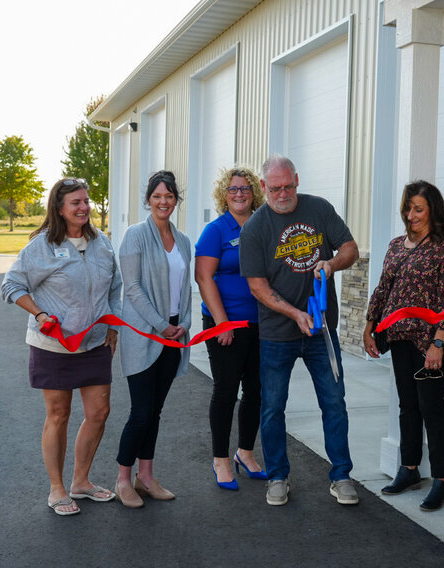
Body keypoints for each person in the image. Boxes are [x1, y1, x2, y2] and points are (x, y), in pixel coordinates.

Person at [239, 155, 360, 506]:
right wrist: (294, 313)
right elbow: (257, 287)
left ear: (297, 180)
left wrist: (332, 263)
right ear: (263, 188)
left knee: (334, 403)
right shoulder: (255, 228)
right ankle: (277, 476)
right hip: (277, 334)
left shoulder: (319, 209)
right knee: (273, 407)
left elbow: (349, 248)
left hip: (322, 331)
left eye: (288, 186)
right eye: (274, 188)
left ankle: (341, 475)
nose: (282, 193)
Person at [1, 177, 121, 516]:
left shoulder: (102, 243)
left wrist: (113, 326)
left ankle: (80, 482)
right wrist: (39, 313)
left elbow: (115, 287)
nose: (84, 208)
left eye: (86, 201)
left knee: (99, 413)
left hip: (94, 343)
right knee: (59, 414)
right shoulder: (41, 246)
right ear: (59, 208)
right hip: (53, 345)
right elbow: (11, 284)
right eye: (76, 203)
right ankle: (57, 489)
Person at [364, 180, 444, 511]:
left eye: (418, 209)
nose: (411, 215)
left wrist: (439, 343)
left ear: (433, 211)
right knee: (407, 405)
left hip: (429, 342)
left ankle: (441, 479)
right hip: (398, 336)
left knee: (431, 408)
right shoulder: (396, 245)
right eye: (408, 208)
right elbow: (383, 288)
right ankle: (409, 469)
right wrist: (369, 325)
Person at [114, 170, 192, 508]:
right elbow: (131, 288)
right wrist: (160, 324)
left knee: (156, 412)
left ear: (176, 200)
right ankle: (122, 480)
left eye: (169, 196)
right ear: (148, 200)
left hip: (174, 333)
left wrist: (183, 323)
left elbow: (186, 289)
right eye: (158, 196)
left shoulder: (184, 241)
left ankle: (145, 477)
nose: (164, 202)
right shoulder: (134, 236)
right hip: (145, 333)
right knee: (141, 412)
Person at [195, 166, 267, 491]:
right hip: (225, 324)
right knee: (226, 391)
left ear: (255, 193)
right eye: (233, 189)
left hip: (262, 323)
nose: (239, 194)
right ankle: (221, 459)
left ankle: (246, 453)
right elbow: (203, 277)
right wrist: (222, 321)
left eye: (245, 189)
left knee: (256, 391)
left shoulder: (264, 226)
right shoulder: (216, 230)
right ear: (225, 194)